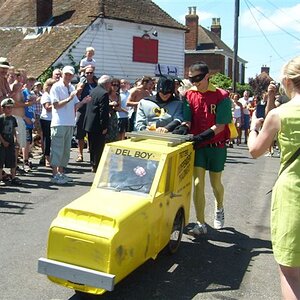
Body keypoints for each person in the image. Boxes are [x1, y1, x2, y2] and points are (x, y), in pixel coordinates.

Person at [248, 56, 300, 300]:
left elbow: (255, 151)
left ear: (288, 81)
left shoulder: (280, 114)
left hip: (293, 194)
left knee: (290, 273)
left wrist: (253, 129)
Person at [181, 61, 232, 236]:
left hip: (216, 146)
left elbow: (220, 125)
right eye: (191, 79)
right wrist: (180, 128)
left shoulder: (222, 96)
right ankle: (200, 223)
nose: (195, 83)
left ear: (207, 76)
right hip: (199, 148)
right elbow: (187, 121)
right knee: (197, 183)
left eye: (198, 79)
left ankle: (219, 206)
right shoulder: (189, 95)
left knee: (215, 183)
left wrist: (201, 136)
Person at [50, 66, 91, 185]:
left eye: (70, 75)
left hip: (69, 123)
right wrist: (69, 98)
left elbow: (76, 106)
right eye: (66, 74)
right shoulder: (56, 87)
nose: (68, 76)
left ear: (73, 76)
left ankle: (61, 173)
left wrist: (84, 101)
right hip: (59, 123)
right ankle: (54, 174)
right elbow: (56, 105)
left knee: (66, 151)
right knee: (57, 149)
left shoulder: (71, 87)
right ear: (62, 74)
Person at [83, 75, 111, 173]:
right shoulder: (104, 93)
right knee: (99, 146)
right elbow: (103, 111)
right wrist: (104, 126)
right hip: (98, 124)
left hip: (90, 123)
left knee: (92, 145)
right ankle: (97, 164)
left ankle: (93, 163)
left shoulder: (93, 91)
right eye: (110, 83)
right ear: (107, 84)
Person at [74, 66, 97, 162]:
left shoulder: (96, 84)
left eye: (90, 73)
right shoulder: (82, 84)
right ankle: (80, 154)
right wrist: (81, 85)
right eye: (87, 73)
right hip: (82, 109)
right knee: (80, 133)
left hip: (92, 111)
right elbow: (77, 94)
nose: (89, 75)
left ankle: (92, 153)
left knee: (91, 133)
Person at [0, 98, 22, 186]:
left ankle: (13, 177)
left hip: (10, 142)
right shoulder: (1, 119)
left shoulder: (13, 119)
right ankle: (0, 178)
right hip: (2, 143)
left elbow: (13, 129)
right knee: (1, 161)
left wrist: (16, 139)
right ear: (3, 108)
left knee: (12, 160)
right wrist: (3, 141)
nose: (9, 110)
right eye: (7, 108)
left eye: (11, 108)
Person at [40, 78, 56, 167]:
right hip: (46, 119)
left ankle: (53, 157)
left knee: (53, 139)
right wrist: (57, 104)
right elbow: (48, 108)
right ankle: (47, 158)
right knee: (47, 139)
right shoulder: (46, 95)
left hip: (54, 119)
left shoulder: (54, 95)